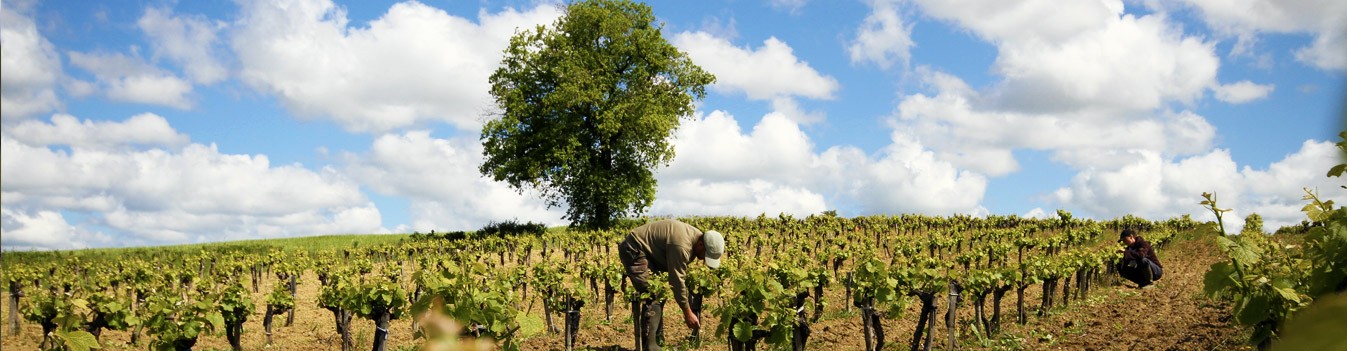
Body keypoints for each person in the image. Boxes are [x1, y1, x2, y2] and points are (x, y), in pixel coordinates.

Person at [618, 219, 725, 351]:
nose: (703, 259)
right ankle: (649, 346)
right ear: (701, 245)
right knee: (652, 295)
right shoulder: (682, 246)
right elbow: (676, 280)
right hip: (633, 249)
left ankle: (658, 339)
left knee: (660, 293)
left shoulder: (695, 238)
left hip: (648, 254)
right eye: (705, 255)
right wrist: (687, 312)